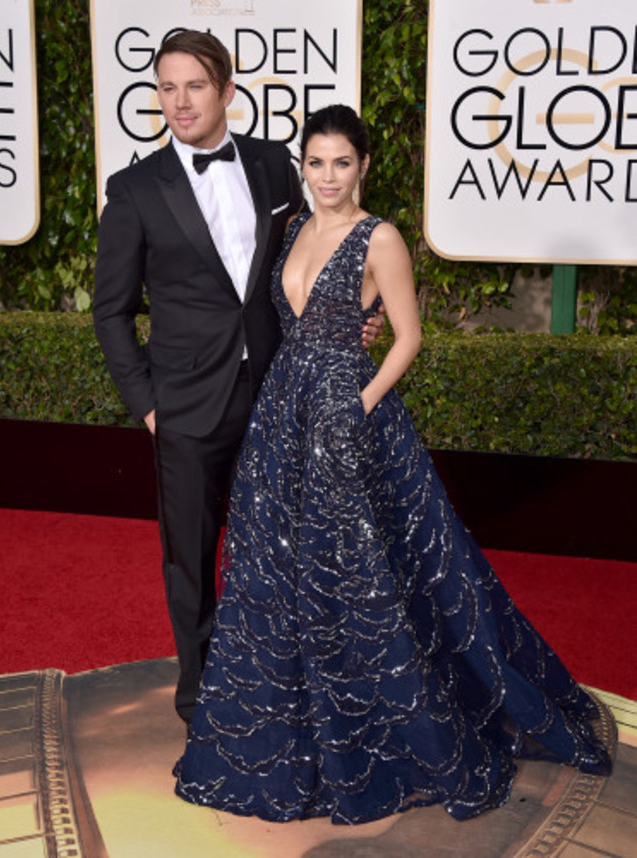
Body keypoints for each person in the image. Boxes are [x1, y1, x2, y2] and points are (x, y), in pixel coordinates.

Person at [174, 104, 612, 823]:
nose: (327, 177)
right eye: (316, 162)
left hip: (350, 422)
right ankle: (297, 735)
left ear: (365, 166)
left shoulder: (381, 238)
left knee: (362, 578)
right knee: (278, 575)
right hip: (284, 418)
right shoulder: (291, 229)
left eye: (342, 162)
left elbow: (406, 337)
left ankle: (390, 731)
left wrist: (360, 404)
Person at [93, 31, 384, 726]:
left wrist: (355, 318)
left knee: (281, 544)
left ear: (227, 91)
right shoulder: (132, 191)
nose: (179, 101)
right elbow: (109, 312)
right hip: (185, 407)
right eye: (167, 87)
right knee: (189, 557)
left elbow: (308, 264)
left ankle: (281, 675)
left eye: (194, 86)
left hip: (277, 393)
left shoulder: (274, 168)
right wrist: (148, 407)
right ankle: (201, 697)